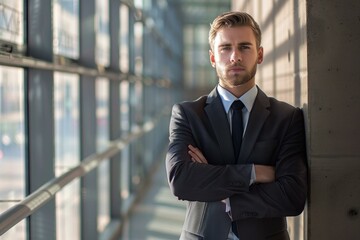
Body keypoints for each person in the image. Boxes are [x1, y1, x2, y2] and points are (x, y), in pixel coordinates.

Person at [165, 11, 308, 240]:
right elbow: (181, 181)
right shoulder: (188, 115)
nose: (235, 57)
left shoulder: (287, 118)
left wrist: (218, 187)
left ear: (259, 54)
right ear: (212, 58)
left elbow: (292, 196)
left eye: (244, 47)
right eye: (225, 48)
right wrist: (256, 172)